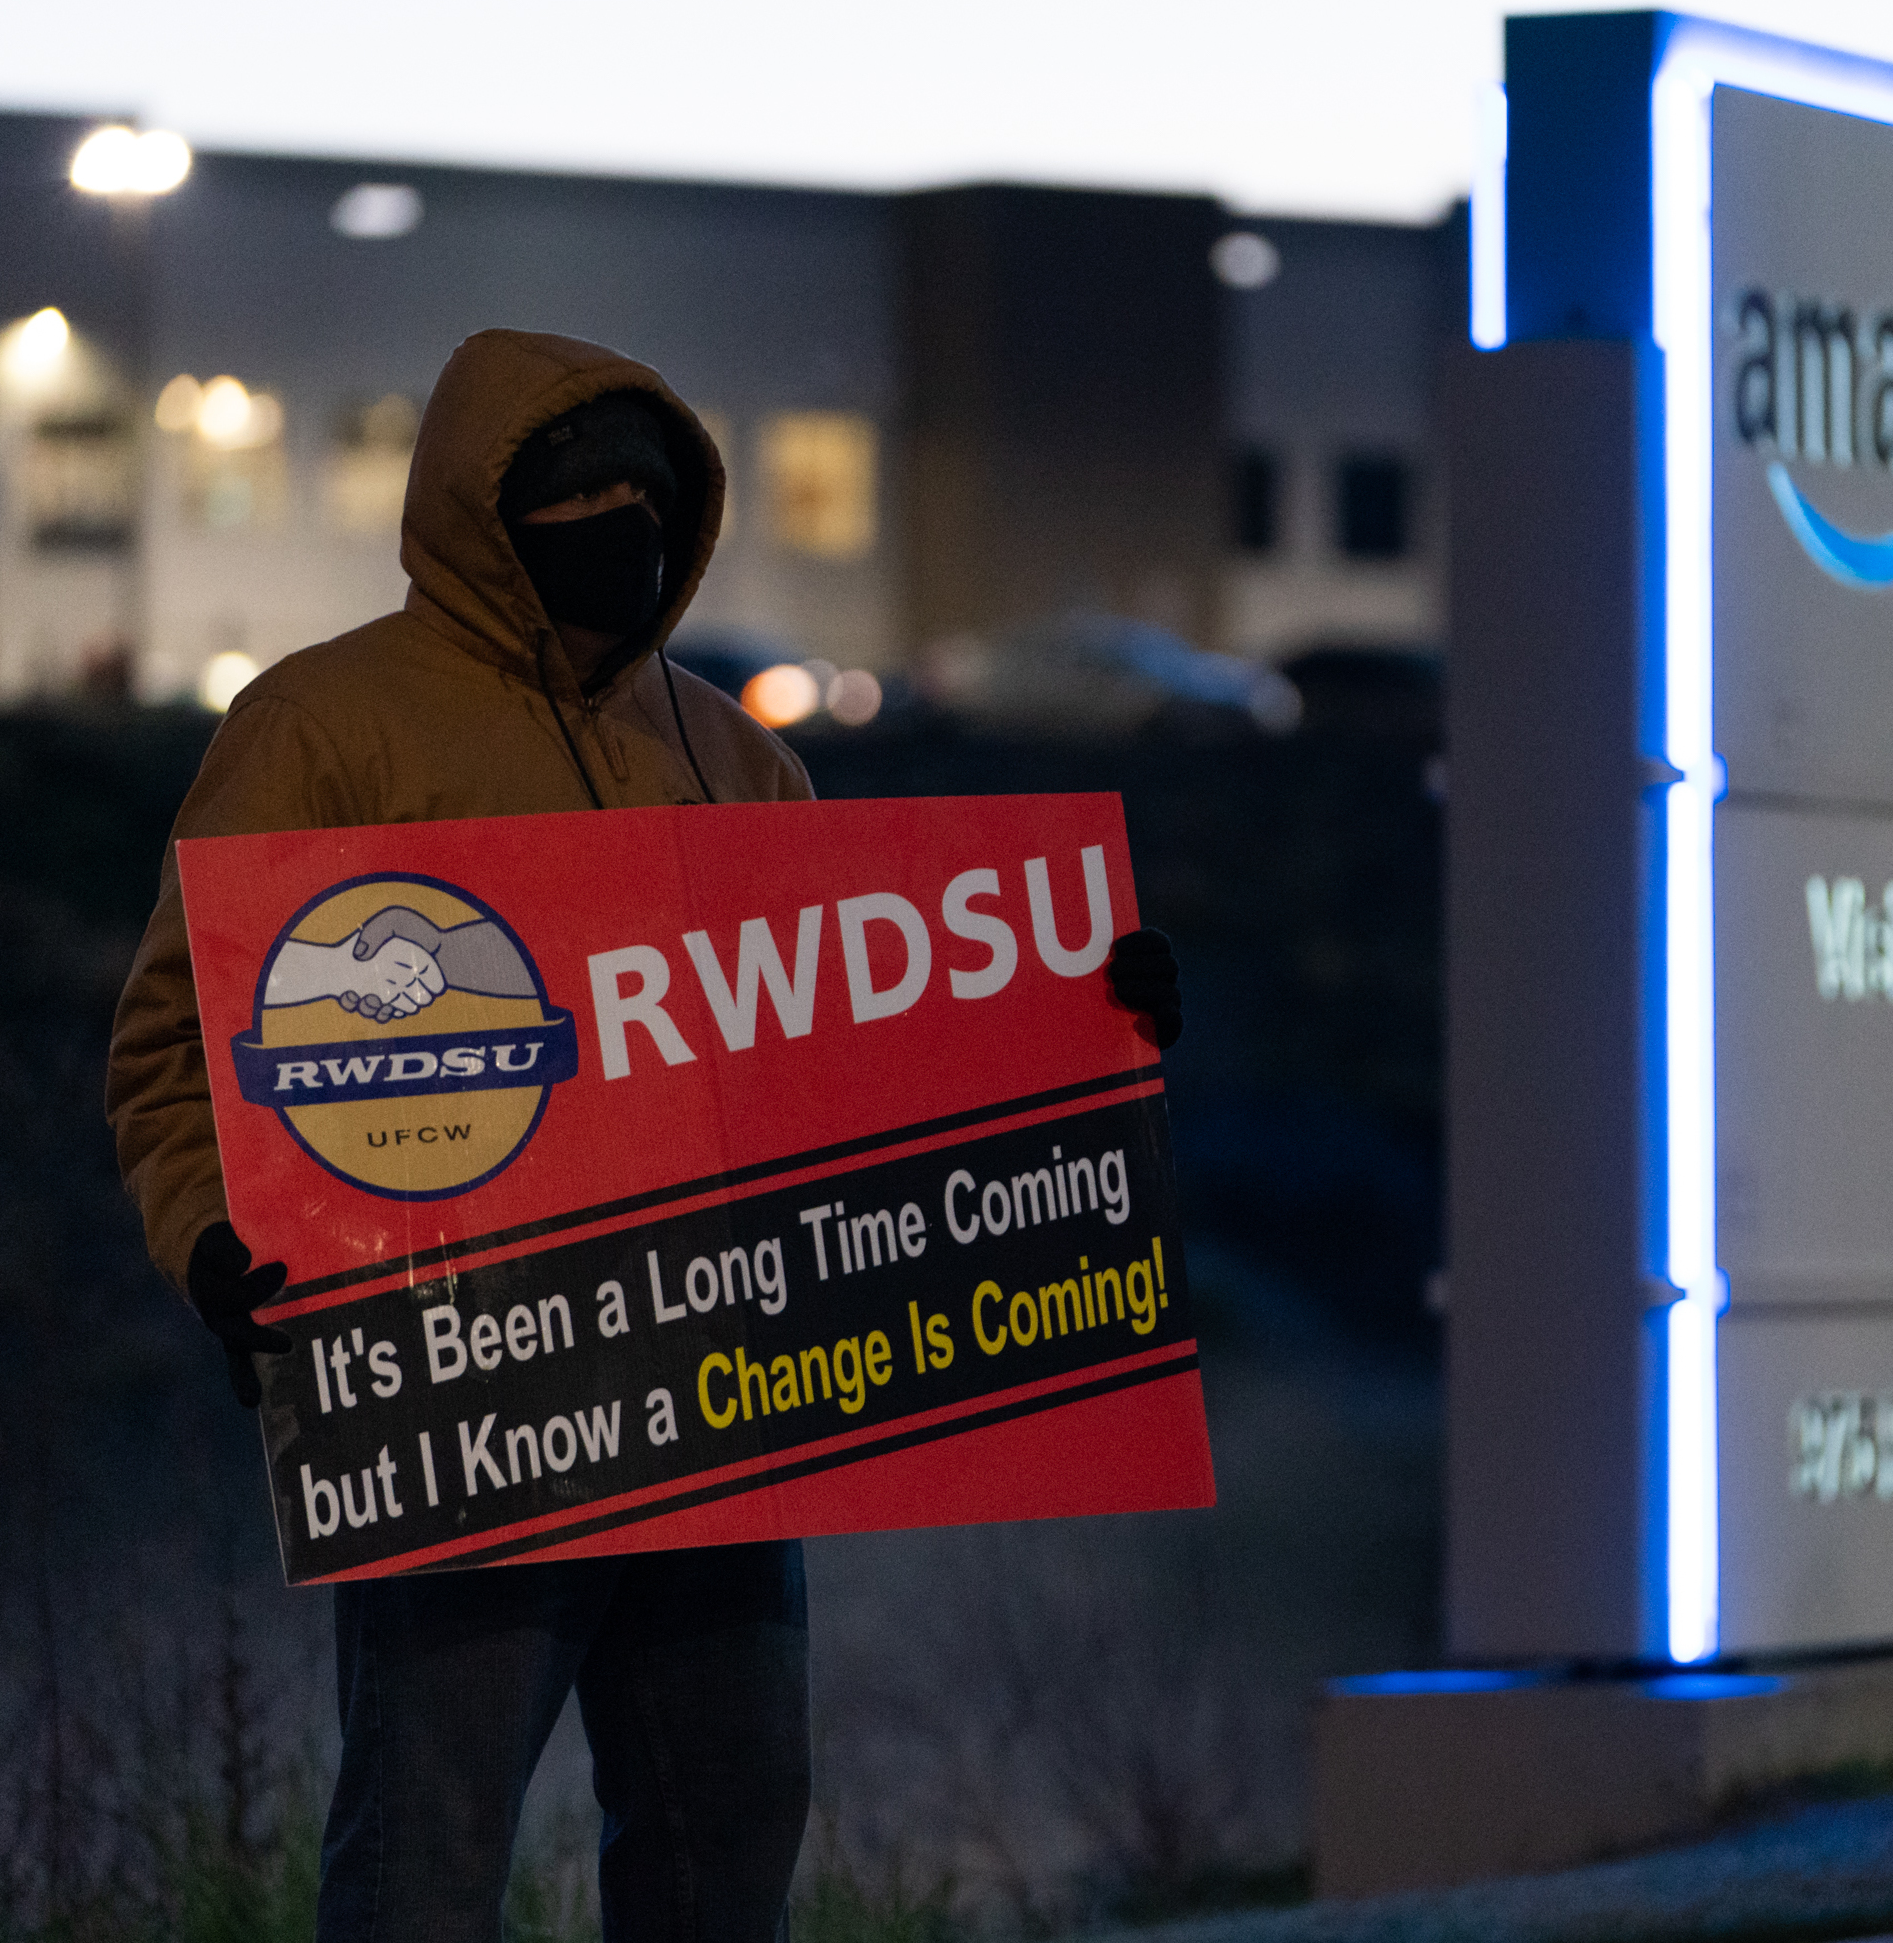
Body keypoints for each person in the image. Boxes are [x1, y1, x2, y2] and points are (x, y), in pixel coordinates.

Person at [105, 328, 1182, 1941]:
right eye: (581, 495)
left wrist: (1084, 1019)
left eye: (650, 495)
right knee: (426, 1853)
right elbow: (173, 1045)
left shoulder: (742, 757)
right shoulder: (322, 730)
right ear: (488, 510)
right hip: (460, 1403)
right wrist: (212, 1244)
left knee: (724, 1837)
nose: (626, 525)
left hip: (721, 1401)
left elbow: (858, 1057)